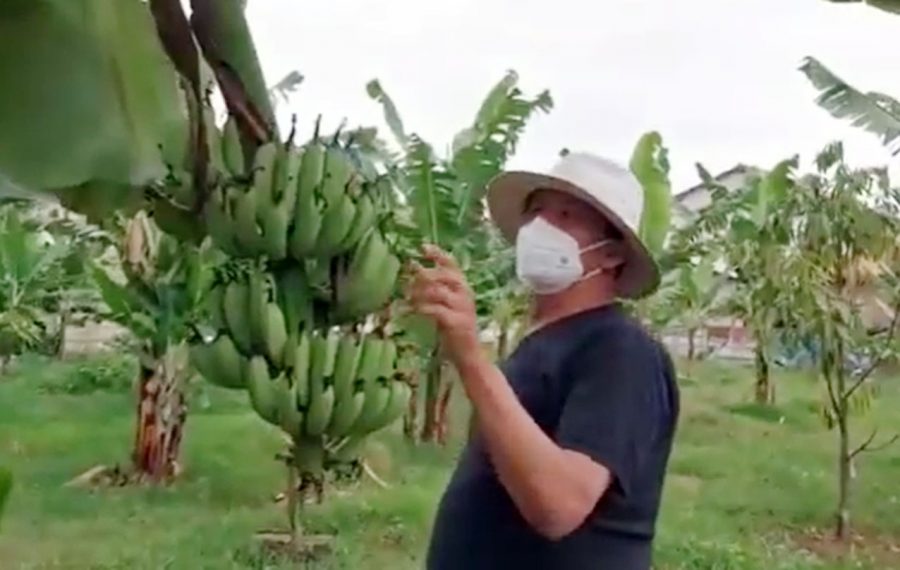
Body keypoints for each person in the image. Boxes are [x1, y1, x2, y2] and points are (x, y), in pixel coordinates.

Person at [406, 151, 681, 569]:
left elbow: (559, 505)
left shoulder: (620, 350)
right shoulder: (542, 343)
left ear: (612, 254)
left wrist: (471, 357)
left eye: (566, 216)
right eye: (536, 212)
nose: (541, 227)